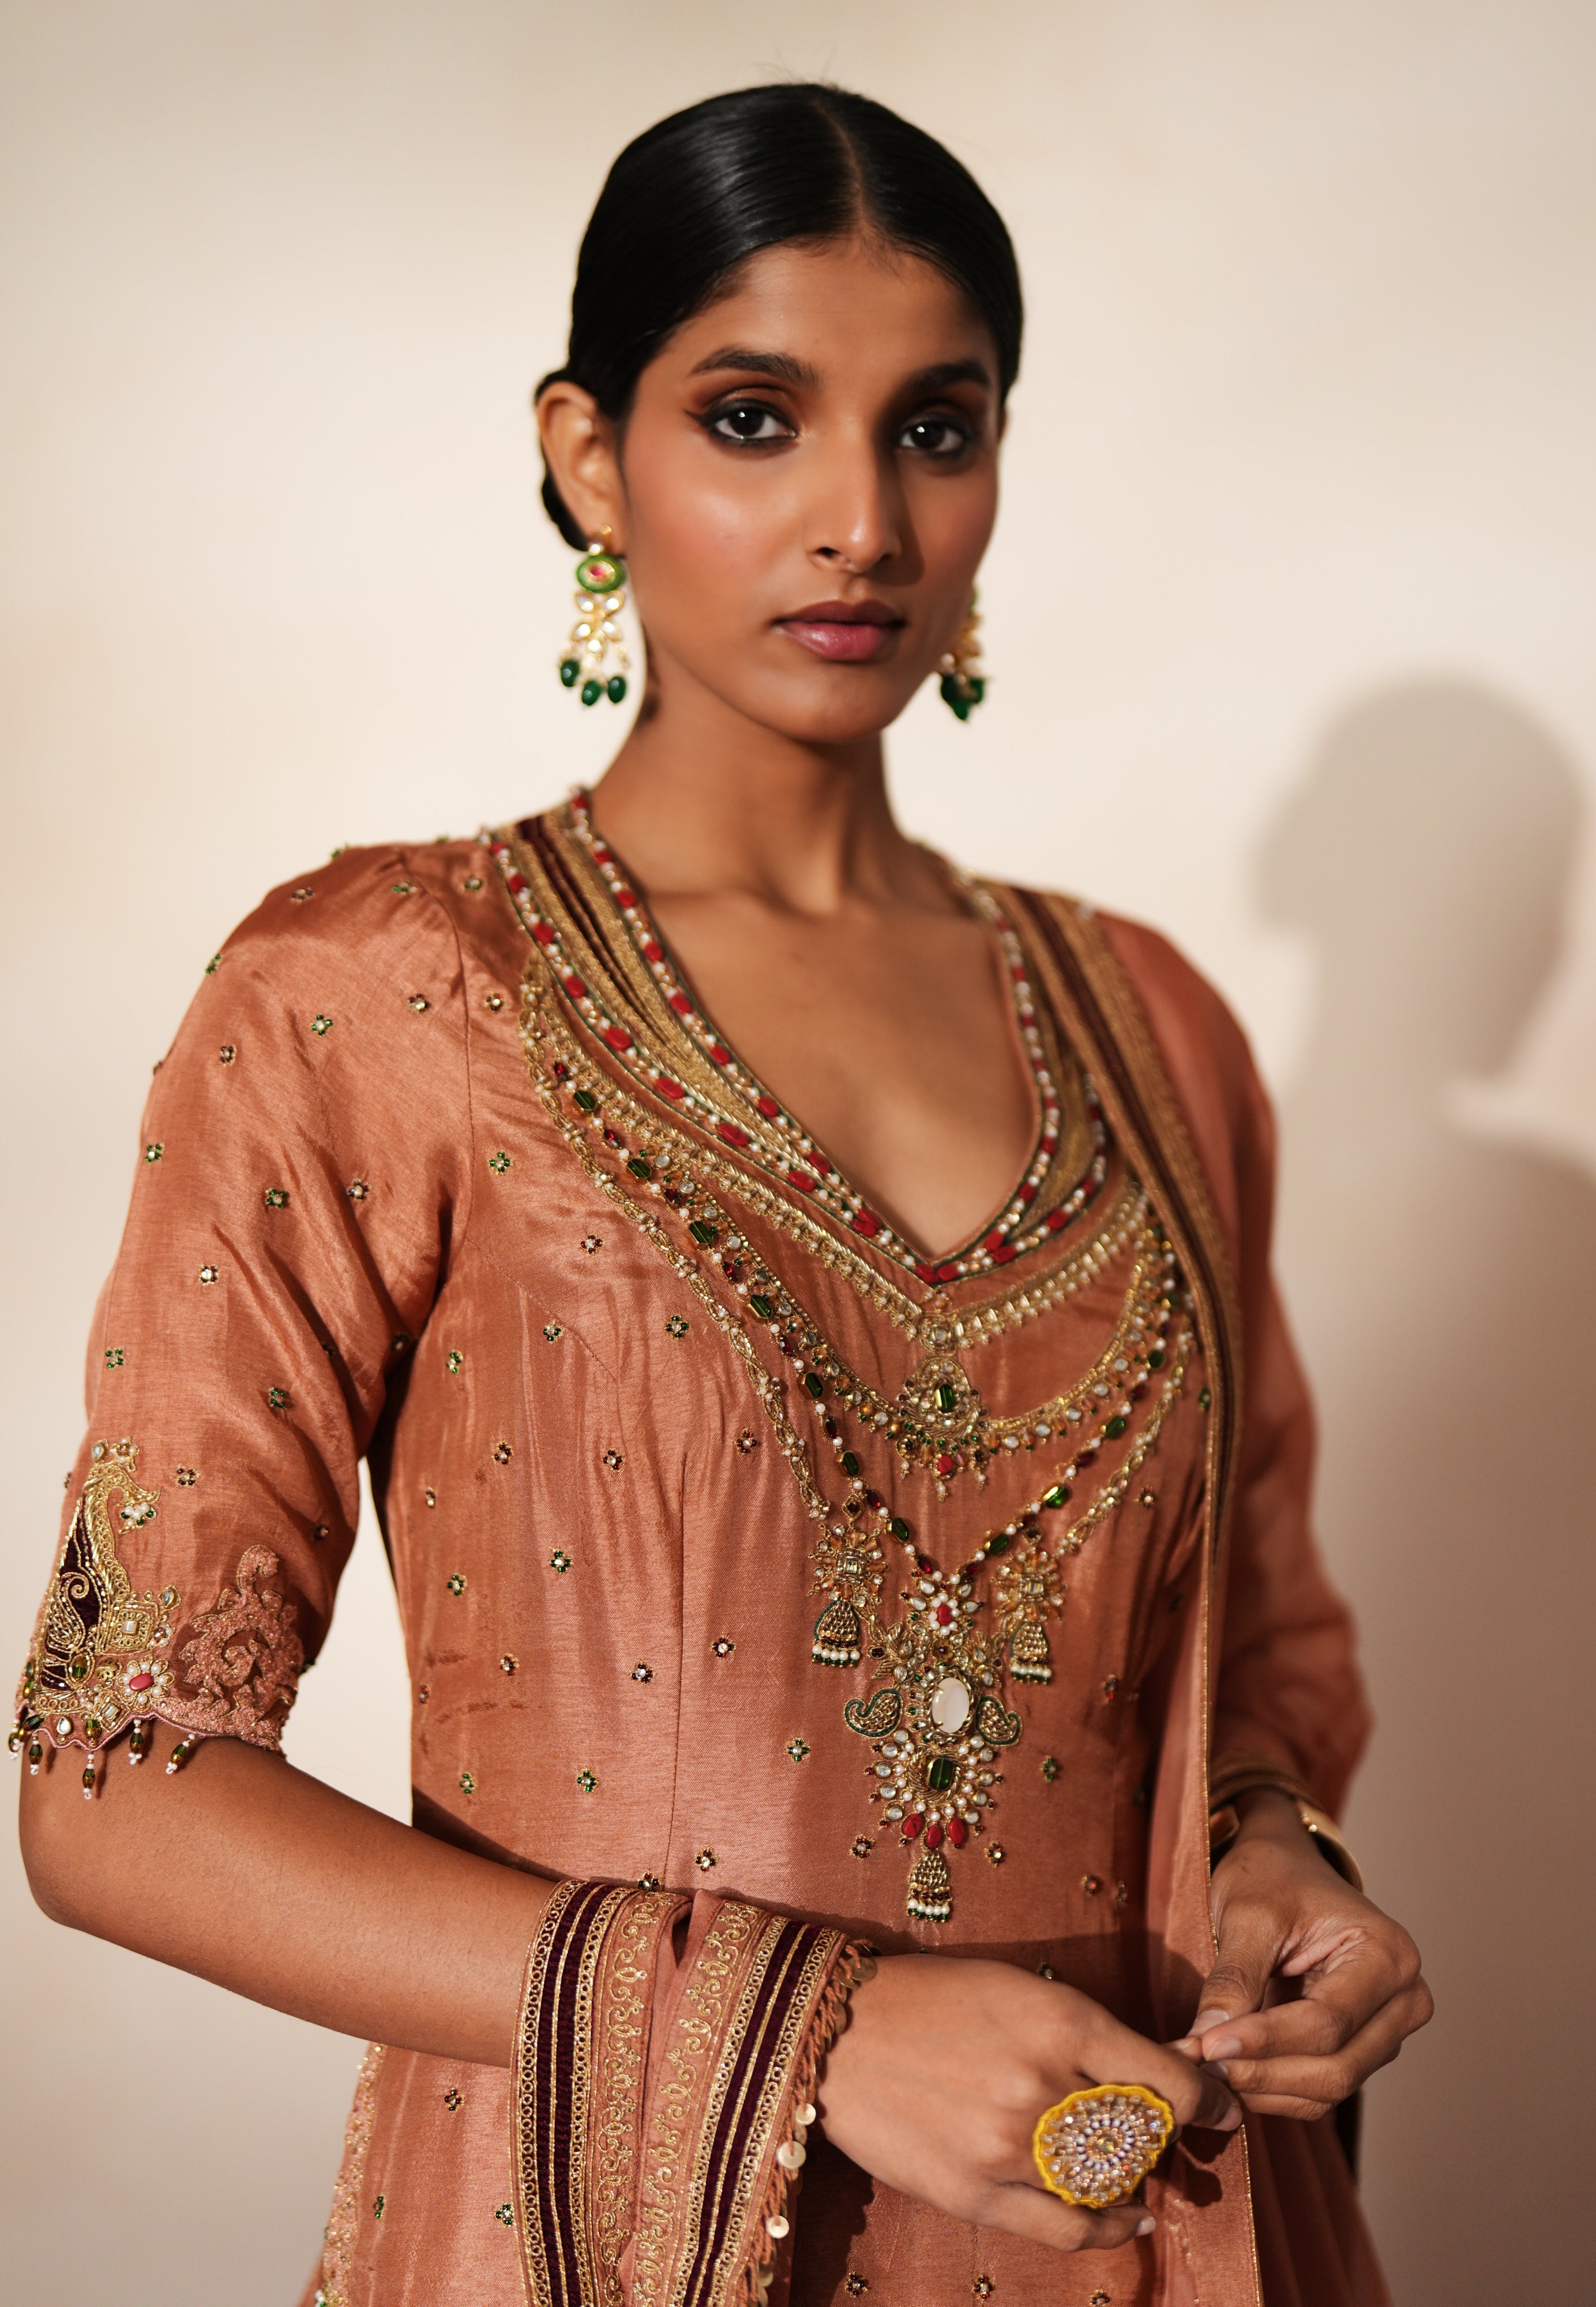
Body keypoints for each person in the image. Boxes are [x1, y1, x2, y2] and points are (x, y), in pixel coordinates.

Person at [13, 82, 1430, 2307]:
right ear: (590, 455)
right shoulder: (381, 994)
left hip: (1162, 2223)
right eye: (756, 418)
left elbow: (1256, 1654)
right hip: (608, 2239)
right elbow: (114, 1785)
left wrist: (1280, 1869)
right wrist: (818, 2030)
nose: (861, 518)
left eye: (937, 430)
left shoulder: (1154, 1028)